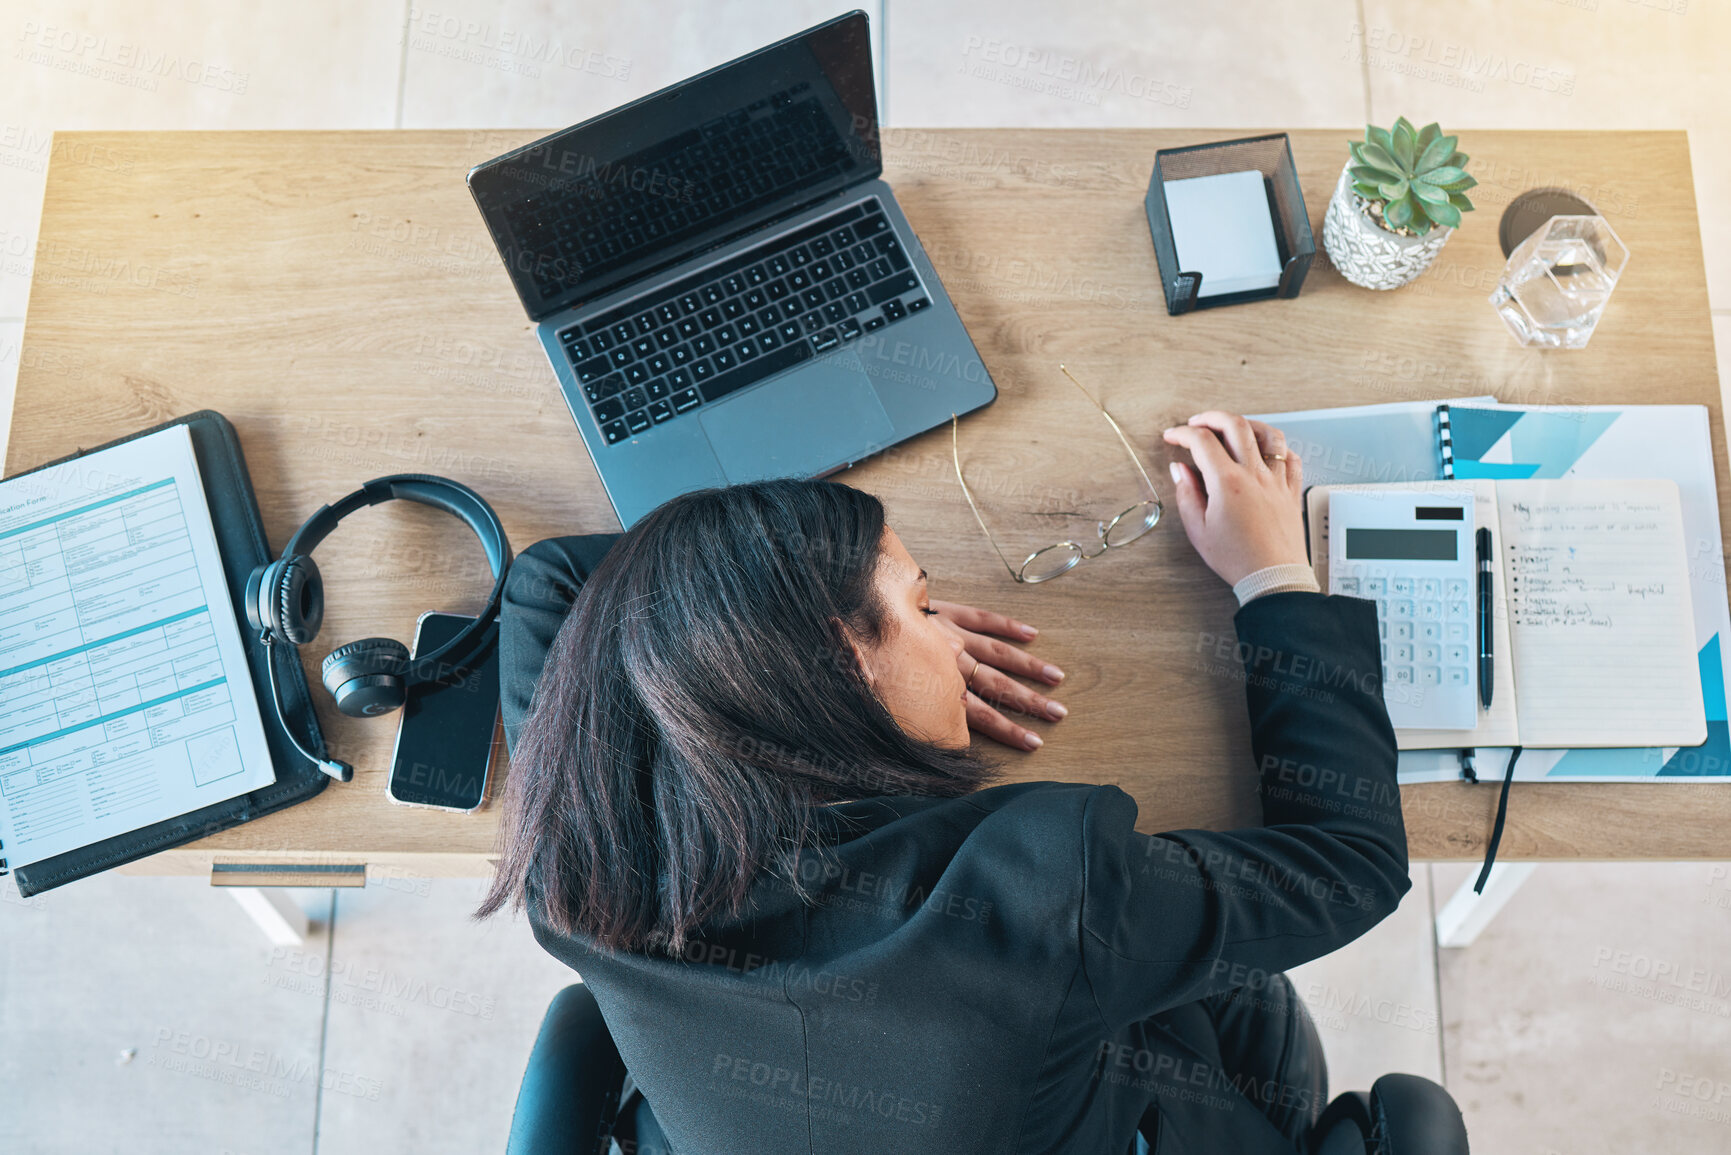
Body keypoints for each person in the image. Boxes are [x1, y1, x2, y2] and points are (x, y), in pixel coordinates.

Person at [480, 412, 1408, 1155]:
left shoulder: (586, 850)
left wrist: (821, 659)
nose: (941, 627)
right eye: (922, 605)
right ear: (848, 665)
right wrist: (1275, 576)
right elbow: (1349, 863)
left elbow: (549, 582)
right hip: (1141, 1106)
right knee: (1240, 995)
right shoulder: (1048, 898)